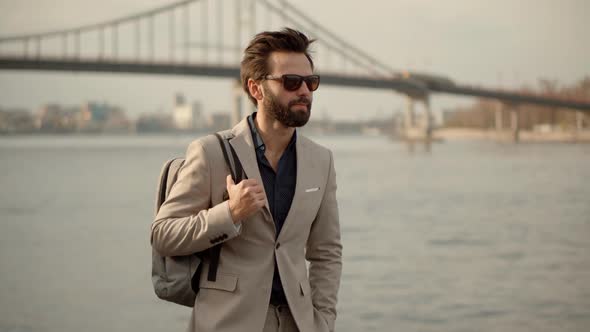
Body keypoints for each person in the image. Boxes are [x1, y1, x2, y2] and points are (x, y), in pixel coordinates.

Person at [151, 28, 342, 332]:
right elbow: (163, 233)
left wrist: (323, 319)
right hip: (228, 322)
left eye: (311, 82)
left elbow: (327, 252)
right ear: (256, 89)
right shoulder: (210, 152)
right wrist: (229, 214)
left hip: (300, 323)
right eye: (292, 82)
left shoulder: (322, 160)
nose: (304, 91)